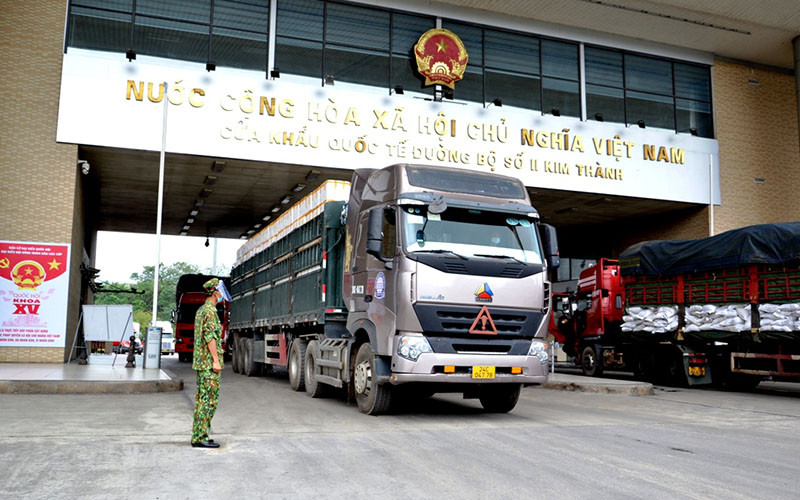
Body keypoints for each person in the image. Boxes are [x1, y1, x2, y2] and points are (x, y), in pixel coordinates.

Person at [191, 277, 230, 449]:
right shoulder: (210, 312)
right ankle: (201, 437)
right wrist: (215, 359)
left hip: (202, 363)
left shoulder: (201, 310)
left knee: (202, 400)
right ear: (215, 293)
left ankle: (199, 435)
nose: (222, 295)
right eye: (220, 291)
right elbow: (210, 337)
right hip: (208, 364)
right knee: (208, 401)